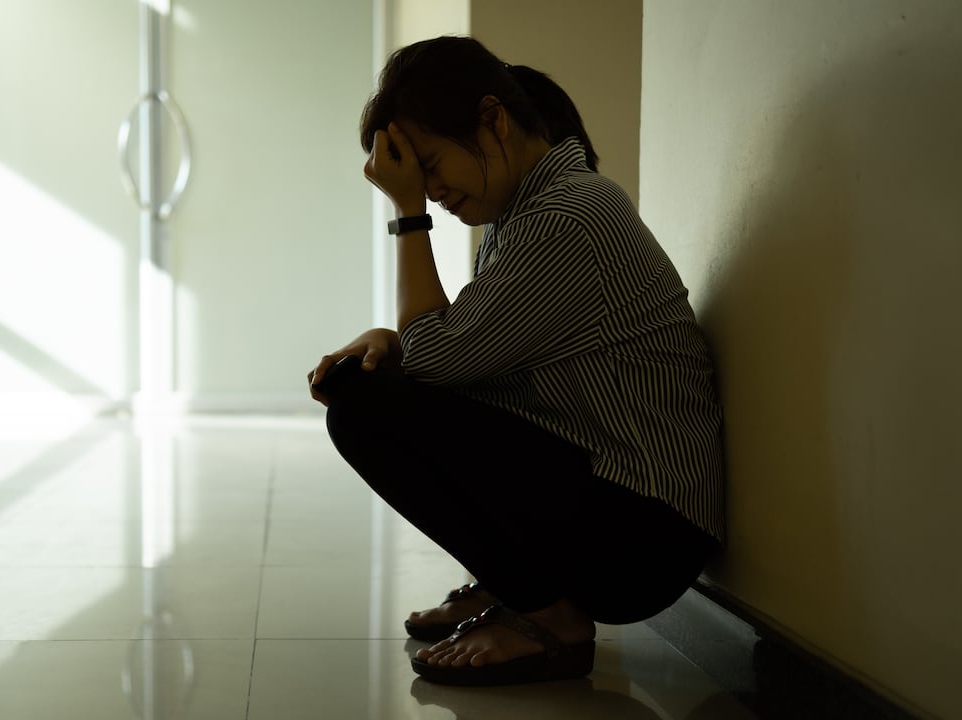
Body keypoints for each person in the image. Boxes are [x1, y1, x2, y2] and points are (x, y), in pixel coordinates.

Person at [306, 36, 724, 687]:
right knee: (362, 385)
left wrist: (408, 216)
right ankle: (515, 588)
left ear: (494, 120)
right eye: (417, 179)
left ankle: (549, 616)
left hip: (644, 539)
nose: (431, 190)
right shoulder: (526, 219)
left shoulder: (567, 219)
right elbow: (470, 363)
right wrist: (393, 340)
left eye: (430, 165)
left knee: (364, 407)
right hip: (626, 513)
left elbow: (439, 359)